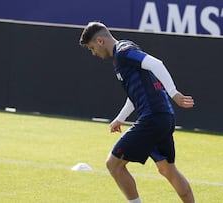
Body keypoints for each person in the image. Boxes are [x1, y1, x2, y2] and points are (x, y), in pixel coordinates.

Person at [79, 22, 195, 203]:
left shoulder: (124, 52)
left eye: (92, 48)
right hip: (164, 117)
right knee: (167, 169)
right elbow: (135, 96)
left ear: (100, 41)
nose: (94, 53)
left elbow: (156, 63)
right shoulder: (123, 53)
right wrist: (120, 119)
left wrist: (174, 93)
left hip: (153, 117)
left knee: (113, 164)